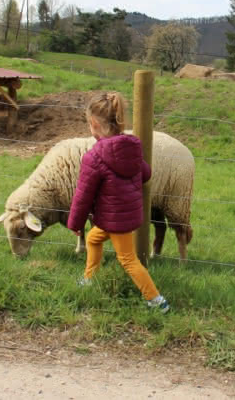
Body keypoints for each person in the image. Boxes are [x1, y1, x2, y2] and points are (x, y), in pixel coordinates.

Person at [67, 92, 169, 313]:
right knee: (94, 239)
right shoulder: (132, 148)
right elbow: (146, 174)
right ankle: (89, 279)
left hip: (116, 220)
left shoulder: (93, 157)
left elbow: (83, 195)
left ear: (94, 124)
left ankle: (156, 300)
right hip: (122, 216)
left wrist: (75, 224)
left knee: (128, 259)